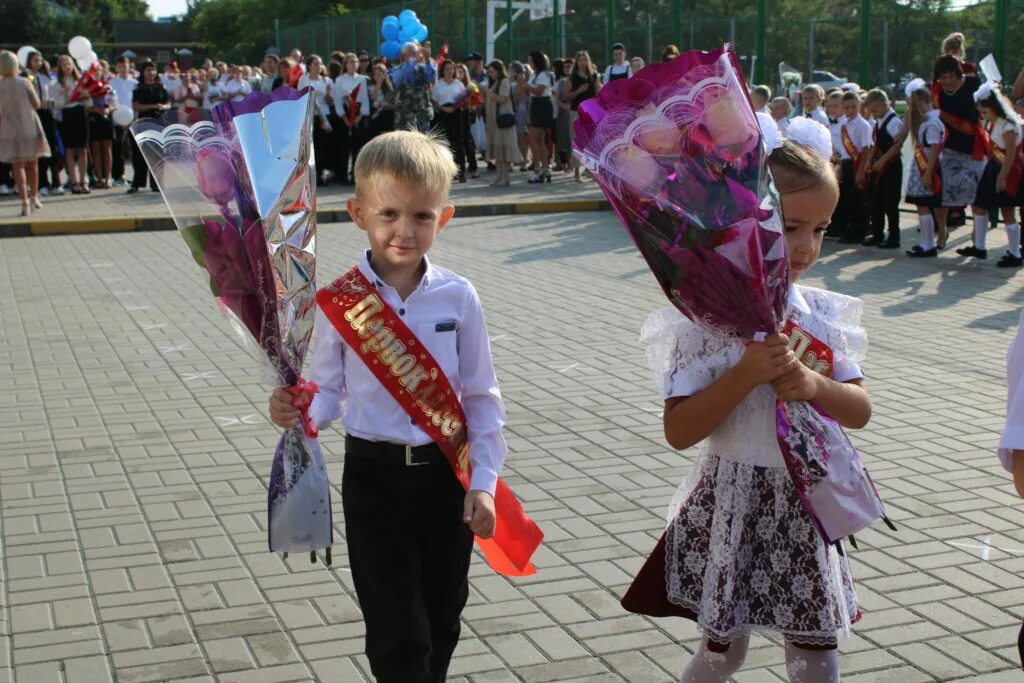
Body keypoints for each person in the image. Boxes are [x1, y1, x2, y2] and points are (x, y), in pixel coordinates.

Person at [621, 117, 867, 683]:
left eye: (821, 229)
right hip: (732, 502)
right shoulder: (707, 321)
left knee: (815, 656)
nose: (806, 247)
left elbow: (859, 409)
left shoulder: (820, 316)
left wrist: (813, 385)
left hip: (805, 504)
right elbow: (680, 430)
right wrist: (744, 374)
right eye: (792, 227)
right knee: (722, 653)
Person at [267, 129, 507, 682]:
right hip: (373, 479)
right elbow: (329, 390)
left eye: (422, 216)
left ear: (444, 218)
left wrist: (484, 483)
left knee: (443, 616)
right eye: (389, 214)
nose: (405, 230)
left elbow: (481, 397)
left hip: (446, 479)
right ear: (358, 213)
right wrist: (300, 411)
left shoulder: (458, 296)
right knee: (395, 628)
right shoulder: (340, 302)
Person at [962, 83, 1023, 267]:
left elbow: (1011, 154)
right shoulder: (994, 122)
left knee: (1007, 211)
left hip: (1008, 171)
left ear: (994, 107)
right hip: (993, 167)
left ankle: (1015, 254)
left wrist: (1002, 177)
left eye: (985, 112)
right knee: (979, 205)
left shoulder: (1008, 126)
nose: (983, 116)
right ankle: (979, 247)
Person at [933, 55, 986, 253]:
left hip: (974, 147)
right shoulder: (936, 92)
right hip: (949, 147)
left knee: (976, 194)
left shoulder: (973, 85)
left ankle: (977, 237)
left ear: (959, 74)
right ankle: (942, 231)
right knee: (943, 192)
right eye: (943, 77)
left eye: (952, 76)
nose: (948, 81)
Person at [0, 50, 51, 216]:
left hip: (9, 128)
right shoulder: (24, 82)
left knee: (17, 166)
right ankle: (34, 197)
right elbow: (36, 104)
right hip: (29, 125)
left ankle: (24, 203)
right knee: (32, 164)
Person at [904, 80, 945, 257]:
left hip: (927, 168)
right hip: (922, 167)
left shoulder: (932, 123)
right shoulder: (927, 122)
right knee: (921, 206)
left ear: (927, 102)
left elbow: (934, 149)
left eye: (920, 104)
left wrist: (928, 174)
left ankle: (928, 245)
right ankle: (925, 243)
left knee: (924, 205)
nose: (918, 108)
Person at [863, 89, 904, 249]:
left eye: (875, 110)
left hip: (891, 166)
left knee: (890, 203)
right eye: (871, 111)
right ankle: (877, 233)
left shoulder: (894, 122)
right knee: (876, 201)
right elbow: (876, 143)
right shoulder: (879, 120)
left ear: (884, 104)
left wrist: (882, 160)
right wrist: (870, 160)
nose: (873, 114)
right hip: (878, 167)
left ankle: (894, 237)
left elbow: (897, 146)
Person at [836, 91, 873, 244]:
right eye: (847, 107)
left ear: (859, 105)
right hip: (846, 163)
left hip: (857, 163)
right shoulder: (844, 124)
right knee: (848, 198)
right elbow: (843, 150)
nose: (850, 110)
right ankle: (850, 228)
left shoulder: (863, 125)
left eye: (853, 106)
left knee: (858, 199)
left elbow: (866, 149)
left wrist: (861, 171)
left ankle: (860, 230)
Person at [128, 60, 169, 194]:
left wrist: (163, 106)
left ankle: (156, 183)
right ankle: (137, 183)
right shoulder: (139, 88)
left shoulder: (161, 87)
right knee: (140, 154)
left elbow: (168, 103)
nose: (151, 73)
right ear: (143, 72)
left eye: (153, 70)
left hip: (158, 122)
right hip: (143, 123)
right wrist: (152, 106)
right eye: (148, 70)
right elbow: (136, 106)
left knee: (157, 154)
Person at [51, 54, 89, 195]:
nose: (67, 66)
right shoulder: (56, 84)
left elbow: (88, 102)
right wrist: (65, 95)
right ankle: (73, 181)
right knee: (70, 149)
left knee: (82, 149)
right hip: (67, 115)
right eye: (64, 64)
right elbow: (56, 104)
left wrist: (85, 96)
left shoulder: (80, 81)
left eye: (69, 63)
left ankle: (83, 180)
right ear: (60, 67)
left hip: (80, 114)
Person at [25, 51, 61, 195]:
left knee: (51, 148)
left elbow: (52, 94)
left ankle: (56, 182)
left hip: (48, 114)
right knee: (38, 149)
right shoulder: (25, 77)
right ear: (29, 61)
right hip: (33, 114)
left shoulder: (46, 77)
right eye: (35, 60)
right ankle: (42, 184)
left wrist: (51, 104)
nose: (38, 63)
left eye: (40, 60)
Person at [483, 59, 521, 186]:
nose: (491, 74)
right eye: (489, 72)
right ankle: (499, 176)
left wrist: (488, 92)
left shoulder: (504, 81)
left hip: (502, 118)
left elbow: (502, 99)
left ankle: (505, 176)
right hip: (493, 120)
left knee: (503, 149)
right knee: (498, 149)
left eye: (493, 71)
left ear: (499, 71)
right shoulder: (494, 82)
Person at [335, 52, 371, 185]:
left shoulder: (362, 79)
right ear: (345, 64)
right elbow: (337, 99)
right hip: (345, 114)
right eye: (351, 62)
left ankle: (355, 175)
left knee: (358, 146)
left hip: (358, 114)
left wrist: (360, 116)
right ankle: (342, 175)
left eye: (356, 62)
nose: (354, 64)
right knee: (343, 147)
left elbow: (365, 98)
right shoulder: (340, 80)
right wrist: (344, 117)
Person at [298, 55, 334, 186]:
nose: (319, 66)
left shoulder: (327, 80)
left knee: (323, 146)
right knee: (311, 147)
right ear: (309, 66)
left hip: (324, 117)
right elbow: (300, 97)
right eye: (316, 64)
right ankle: (309, 176)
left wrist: (328, 94)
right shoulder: (304, 79)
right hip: (310, 117)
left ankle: (321, 175)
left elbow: (331, 102)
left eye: (320, 63)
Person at [432, 60, 467, 183]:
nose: (449, 71)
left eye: (451, 69)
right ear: (443, 70)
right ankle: (447, 172)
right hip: (442, 114)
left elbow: (463, 99)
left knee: (458, 143)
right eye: (447, 68)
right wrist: (442, 108)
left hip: (456, 113)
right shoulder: (438, 84)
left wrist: (454, 107)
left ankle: (461, 172)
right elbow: (434, 100)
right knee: (445, 143)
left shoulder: (459, 84)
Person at [568, 50, 600, 182]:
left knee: (591, 140)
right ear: (576, 62)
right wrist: (579, 90)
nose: (582, 62)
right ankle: (576, 171)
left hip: (590, 112)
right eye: (580, 60)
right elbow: (567, 96)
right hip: (576, 111)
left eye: (585, 60)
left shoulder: (594, 76)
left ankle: (590, 170)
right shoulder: (572, 78)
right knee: (577, 140)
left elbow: (598, 92)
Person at [391, 42, 436, 133]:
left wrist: (427, 60)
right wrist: (414, 61)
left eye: (417, 52)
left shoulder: (423, 68)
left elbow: (431, 77)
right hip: (404, 117)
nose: (416, 55)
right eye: (413, 53)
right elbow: (399, 79)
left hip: (422, 115)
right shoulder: (396, 70)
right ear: (403, 55)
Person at [526, 51, 554, 184]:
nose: (529, 63)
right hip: (536, 105)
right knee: (540, 140)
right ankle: (545, 169)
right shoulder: (534, 74)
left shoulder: (543, 74)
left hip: (542, 105)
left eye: (530, 60)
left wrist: (526, 85)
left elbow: (539, 91)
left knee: (533, 138)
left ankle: (537, 170)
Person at [87, 62, 117, 190]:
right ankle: (98, 178)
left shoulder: (108, 87)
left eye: (99, 70)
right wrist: (94, 109)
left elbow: (114, 103)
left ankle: (108, 177)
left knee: (107, 149)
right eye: (94, 70)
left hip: (106, 119)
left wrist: (108, 109)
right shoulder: (87, 88)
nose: (97, 72)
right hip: (94, 119)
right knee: (95, 150)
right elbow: (85, 105)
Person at [109, 56, 137, 186]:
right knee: (118, 149)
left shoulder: (135, 83)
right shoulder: (112, 83)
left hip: (132, 119)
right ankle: (118, 175)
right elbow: (110, 100)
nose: (123, 68)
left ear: (129, 66)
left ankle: (136, 176)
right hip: (117, 119)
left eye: (125, 66)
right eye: (120, 66)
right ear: (117, 67)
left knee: (133, 149)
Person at [454, 63, 480, 179]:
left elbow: (476, 102)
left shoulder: (471, 86)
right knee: (456, 142)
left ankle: (473, 167)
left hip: (466, 114)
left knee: (467, 141)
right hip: (455, 114)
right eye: (457, 72)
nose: (459, 74)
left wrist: (468, 102)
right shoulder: (453, 85)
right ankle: (458, 168)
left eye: (461, 72)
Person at [554, 57, 574, 172]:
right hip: (563, 112)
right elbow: (556, 98)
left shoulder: (576, 80)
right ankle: (565, 163)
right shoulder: (561, 81)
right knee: (563, 139)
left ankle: (573, 164)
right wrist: (564, 106)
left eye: (568, 66)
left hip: (574, 110)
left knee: (572, 138)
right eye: (564, 67)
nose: (566, 69)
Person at [511, 61, 532, 171]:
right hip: (520, 112)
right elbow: (515, 100)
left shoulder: (527, 85)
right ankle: (523, 158)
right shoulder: (515, 86)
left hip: (527, 112)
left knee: (526, 136)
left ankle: (526, 159)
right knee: (521, 136)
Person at [368, 62, 395, 141]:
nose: (377, 76)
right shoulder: (371, 87)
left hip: (387, 117)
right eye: (375, 74)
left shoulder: (390, 88)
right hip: (375, 117)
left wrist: (387, 105)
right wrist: (379, 83)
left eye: (379, 74)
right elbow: (374, 97)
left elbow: (396, 105)